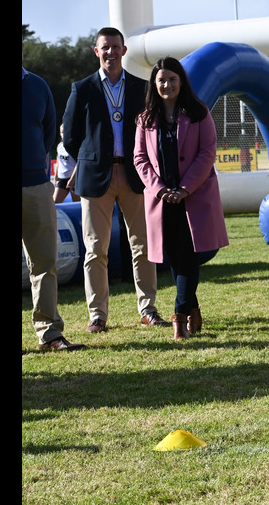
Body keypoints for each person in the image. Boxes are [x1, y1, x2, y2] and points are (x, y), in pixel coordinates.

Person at [62, 27, 166, 333]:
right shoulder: (82, 88)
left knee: (143, 246)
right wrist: (91, 156)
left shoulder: (141, 87)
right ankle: (98, 315)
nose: (110, 52)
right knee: (95, 249)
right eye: (104, 47)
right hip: (96, 179)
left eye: (115, 47)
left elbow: (153, 129)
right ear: (97, 51)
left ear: (124, 51)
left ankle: (148, 308)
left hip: (135, 175)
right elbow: (70, 137)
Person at [134, 57, 230, 340]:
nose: (167, 85)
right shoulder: (145, 119)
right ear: (154, 83)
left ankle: (180, 317)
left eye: (172, 79)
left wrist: (185, 189)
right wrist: (160, 189)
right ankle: (194, 308)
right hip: (161, 201)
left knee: (188, 257)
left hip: (194, 198)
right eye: (161, 80)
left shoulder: (199, 112)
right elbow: (140, 159)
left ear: (181, 81)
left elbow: (207, 153)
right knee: (176, 260)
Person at [22, 51, 85, 352]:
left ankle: (50, 334)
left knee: (45, 262)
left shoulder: (38, 85)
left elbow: (48, 133)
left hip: (36, 185)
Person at [53, 128, 79, 203]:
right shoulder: (59, 146)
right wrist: (56, 176)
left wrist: (72, 180)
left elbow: (79, 163)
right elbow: (58, 162)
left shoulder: (75, 146)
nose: (63, 134)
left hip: (74, 180)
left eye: (65, 132)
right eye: (62, 132)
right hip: (62, 179)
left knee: (77, 205)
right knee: (55, 203)